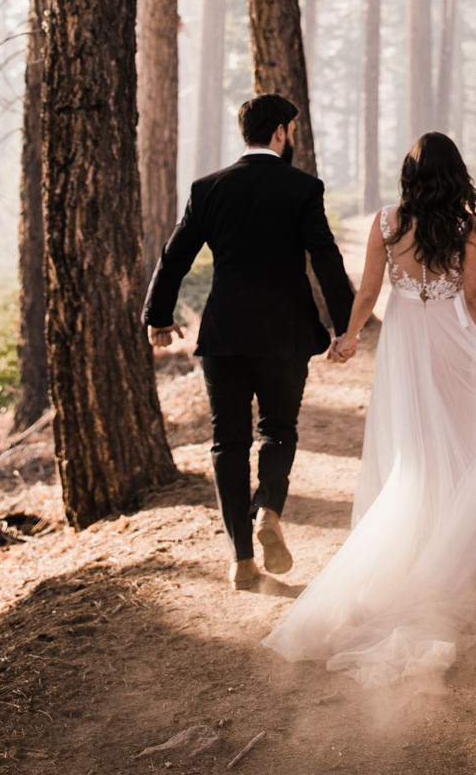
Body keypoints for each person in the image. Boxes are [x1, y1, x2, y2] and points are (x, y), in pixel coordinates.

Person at [263, 131, 476, 684]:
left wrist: (350, 337)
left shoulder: (387, 223)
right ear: (454, 173)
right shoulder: (464, 226)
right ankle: (462, 565)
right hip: (454, 348)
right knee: (470, 444)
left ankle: (424, 559)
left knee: (418, 454)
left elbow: (366, 294)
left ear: (410, 175)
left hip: (407, 351)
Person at [143, 93, 354, 593]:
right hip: (285, 333)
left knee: (228, 442)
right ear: (280, 132)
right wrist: (346, 325)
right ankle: (269, 511)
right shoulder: (302, 186)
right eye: (291, 131)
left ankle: (240, 559)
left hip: (226, 334)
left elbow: (174, 258)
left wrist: (158, 316)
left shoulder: (208, 188)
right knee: (279, 430)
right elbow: (324, 256)